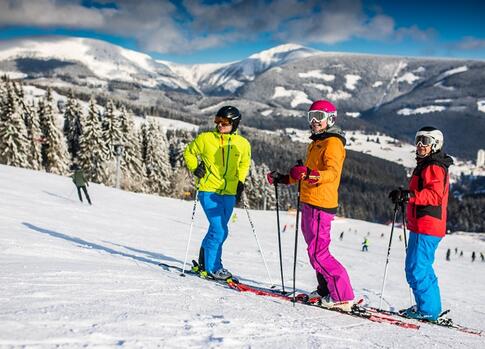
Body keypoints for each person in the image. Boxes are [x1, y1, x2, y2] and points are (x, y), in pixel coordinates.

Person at [267, 100, 354, 312]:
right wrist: (286, 178)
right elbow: (305, 174)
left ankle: (343, 296)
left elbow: (332, 173)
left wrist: (310, 174)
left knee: (318, 252)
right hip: (309, 202)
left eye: (319, 117)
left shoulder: (333, 142)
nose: (314, 121)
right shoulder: (316, 142)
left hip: (320, 203)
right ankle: (325, 289)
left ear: (330, 119)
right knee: (314, 250)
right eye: (311, 117)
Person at [389, 126, 453, 321]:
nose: (419, 145)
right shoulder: (425, 164)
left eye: (424, 141)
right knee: (416, 267)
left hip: (428, 224)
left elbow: (434, 195)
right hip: (421, 224)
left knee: (418, 268)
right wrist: (407, 196)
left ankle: (428, 310)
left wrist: (410, 196)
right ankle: (428, 307)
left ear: (435, 144)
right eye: (417, 140)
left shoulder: (434, 166)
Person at [184, 106, 251, 280]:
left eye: (225, 122)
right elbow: (189, 152)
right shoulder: (205, 138)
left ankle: (204, 263)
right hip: (208, 190)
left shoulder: (242, 144)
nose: (220, 125)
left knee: (218, 230)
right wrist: (195, 168)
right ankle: (214, 267)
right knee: (219, 230)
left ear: (234, 123)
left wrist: (240, 182)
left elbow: (244, 164)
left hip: (229, 193)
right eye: (217, 121)